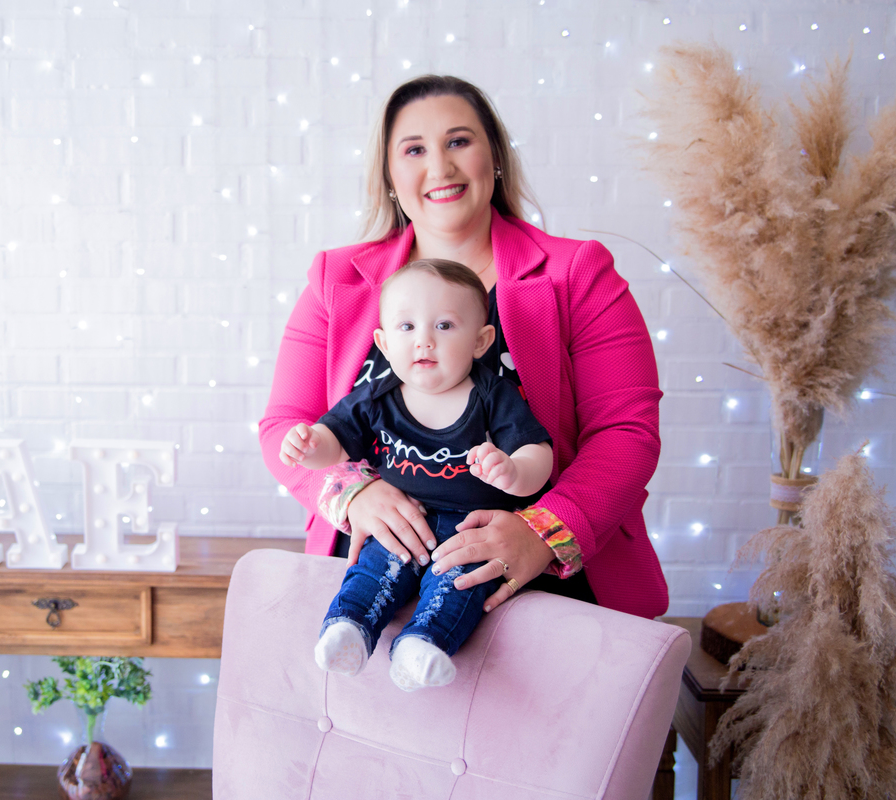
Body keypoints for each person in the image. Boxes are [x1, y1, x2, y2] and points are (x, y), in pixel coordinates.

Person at [259, 74, 668, 624]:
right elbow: (283, 426)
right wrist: (352, 495)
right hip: (375, 581)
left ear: (494, 156)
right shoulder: (339, 279)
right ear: (389, 174)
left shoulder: (578, 274)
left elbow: (626, 433)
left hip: (541, 592)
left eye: (459, 141)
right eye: (414, 149)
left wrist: (540, 534)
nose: (440, 167)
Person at [280, 259, 553, 690]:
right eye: (406, 327)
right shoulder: (377, 395)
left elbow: (537, 453)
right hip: (402, 521)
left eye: (444, 326)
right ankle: (348, 629)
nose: (424, 340)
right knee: (373, 571)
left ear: (481, 341)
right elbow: (335, 439)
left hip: (471, 528)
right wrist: (311, 445)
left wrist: (515, 470)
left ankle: (422, 644)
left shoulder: (491, 394)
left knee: (459, 586)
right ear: (384, 343)